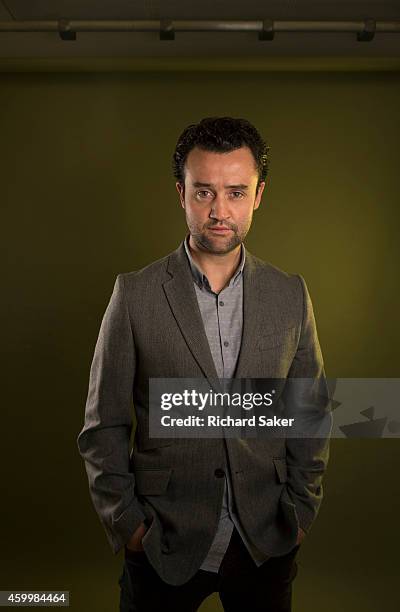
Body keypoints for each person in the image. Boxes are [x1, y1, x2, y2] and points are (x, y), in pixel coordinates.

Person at [77, 116, 331, 612]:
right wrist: (130, 525)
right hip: (162, 541)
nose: (220, 210)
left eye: (236, 192)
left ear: (259, 195)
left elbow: (312, 412)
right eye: (204, 192)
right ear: (181, 193)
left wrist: (300, 512)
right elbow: (102, 425)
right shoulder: (134, 295)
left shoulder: (291, 295)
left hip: (266, 540)